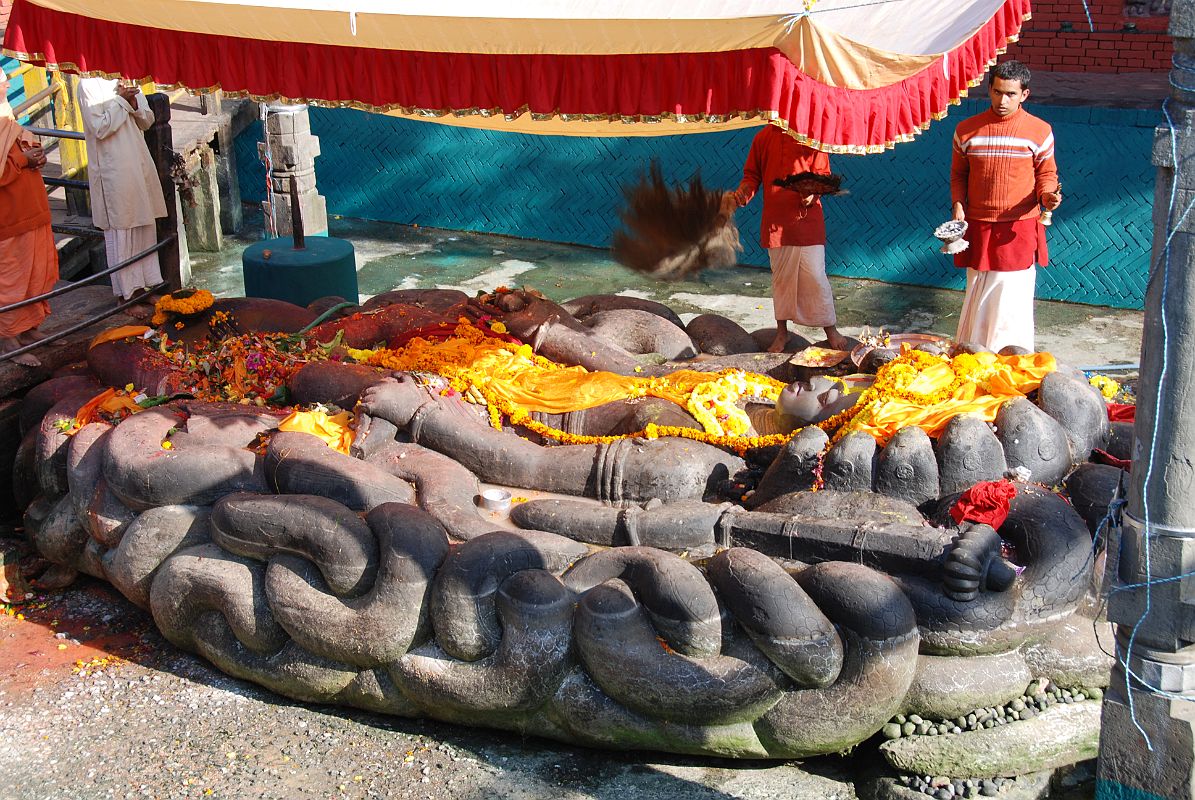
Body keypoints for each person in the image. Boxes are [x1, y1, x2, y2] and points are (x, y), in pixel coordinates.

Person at [950, 60, 1061, 352]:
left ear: (1024, 94)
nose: (1003, 100)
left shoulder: (1040, 131)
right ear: (989, 89)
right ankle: (971, 355)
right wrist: (958, 206)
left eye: (1011, 94)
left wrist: (1048, 195)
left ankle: (1010, 360)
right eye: (998, 92)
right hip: (977, 224)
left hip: (1019, 227)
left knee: (1010, 297)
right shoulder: (966, 130)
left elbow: (1047, 175)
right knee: (977, 290)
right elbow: (959, 174)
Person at [724, 124, 848, 352]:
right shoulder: (762, 138)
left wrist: (813, 193)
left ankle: (831, 330)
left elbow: (823, 175)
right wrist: (741, 195)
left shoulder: (812, 135)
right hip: (776, 223)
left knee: (816, 276)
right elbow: (751, 176)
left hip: (807, 222)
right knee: (781, 279)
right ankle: (782, 333)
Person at [78, 77, 167, 305]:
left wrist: (135, 104)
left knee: (143, 224)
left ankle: (144, 286)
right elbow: (100, 128)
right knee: (122, 227)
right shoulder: (88, 85)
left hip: (137, 162)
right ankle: (125, 295)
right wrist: (121, 100)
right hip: (112, 167)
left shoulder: (126, 76)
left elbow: (147, 120)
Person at [0, 67, 60, 367]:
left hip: (32, 211)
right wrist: (23, 159)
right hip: (9, 219)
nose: (5, 87)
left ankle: (28, 330)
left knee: (36, 273)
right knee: (11, 279)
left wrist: (33, 154)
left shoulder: (6, 119)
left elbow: (15, 151)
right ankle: (9, 339)